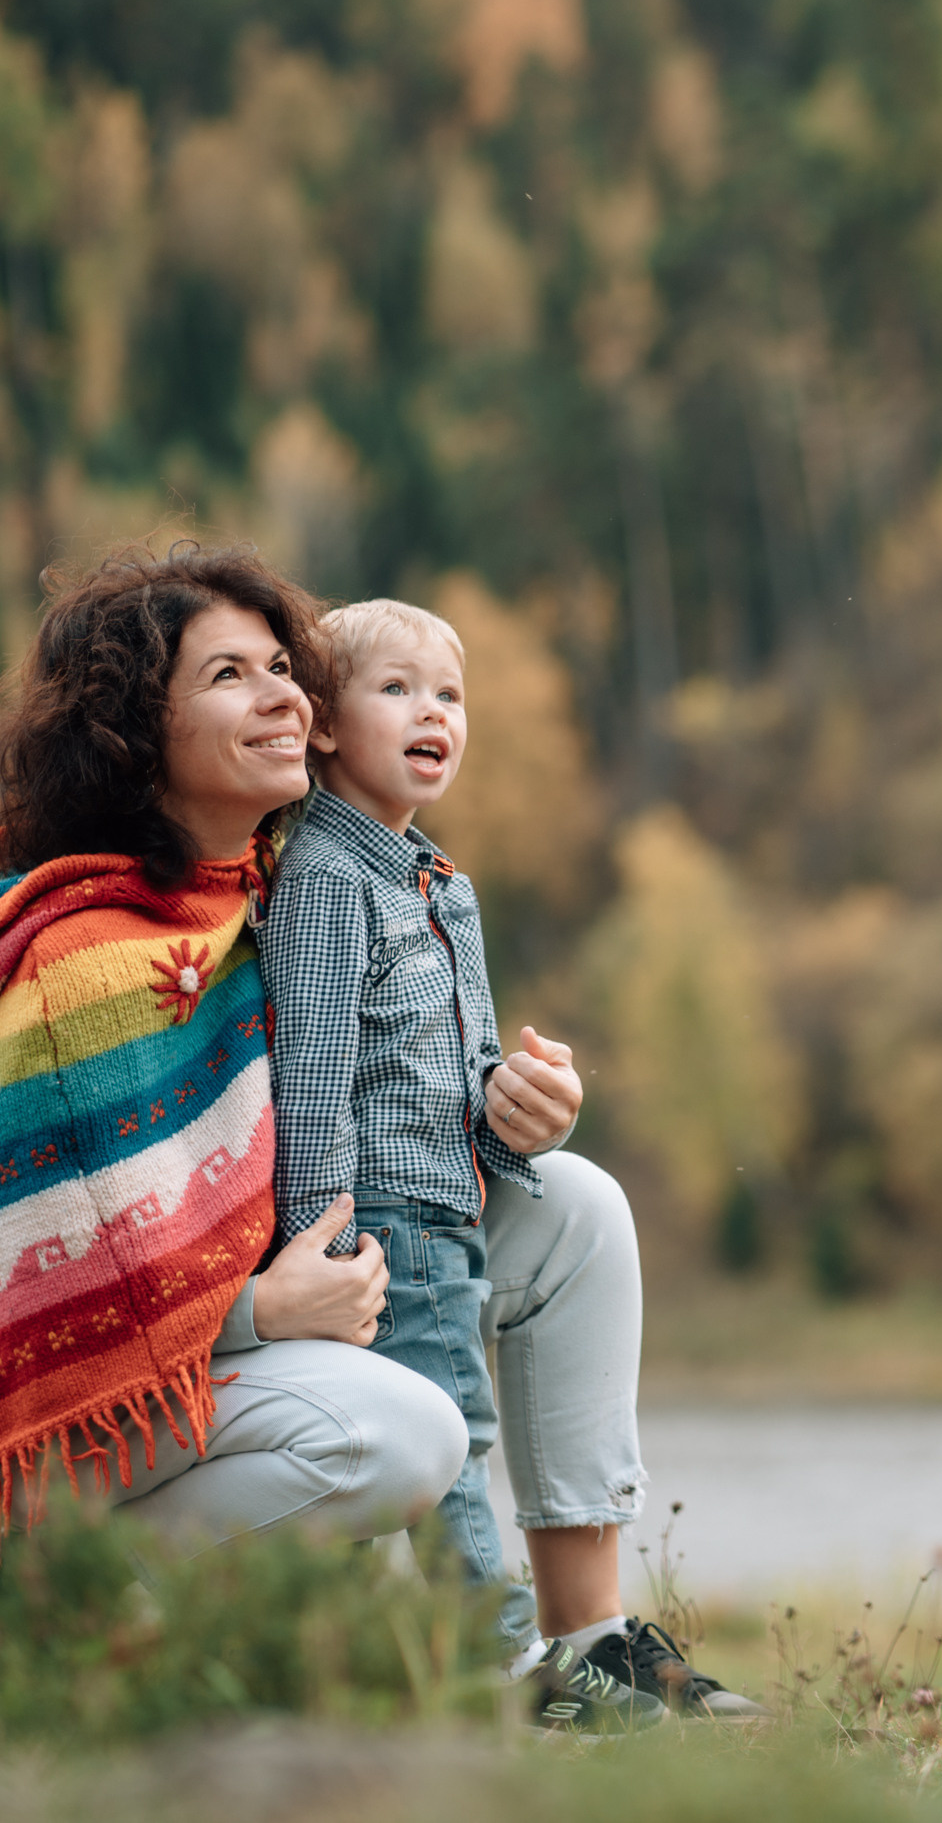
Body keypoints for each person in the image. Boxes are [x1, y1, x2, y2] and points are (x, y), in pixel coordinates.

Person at [0, 546, 468, 1613]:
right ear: (133, 731)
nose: (283, 695)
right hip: (86, 1412)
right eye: (230, 675)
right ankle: (52, 1588)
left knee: (580, 1213)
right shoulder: (88, 966)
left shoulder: (269, 895)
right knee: (407, 1434)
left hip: (237, 1342)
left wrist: (504, 1105)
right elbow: (84, 1280)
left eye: (283, 665)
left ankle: (581, 1631)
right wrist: (260, 1314)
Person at [263, 597, 761, 1723]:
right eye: (396, 689)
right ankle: (505, 1672)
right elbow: (315, 1069)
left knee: (458, 1419)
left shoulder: (443, 885)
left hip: (450, 1199)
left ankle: (572, 1643)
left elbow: (472, 1074)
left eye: (450, 693)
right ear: (326, 726)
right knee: (450, 1430)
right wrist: (325, 1237)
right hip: (380, 1217)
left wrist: (521, 1105)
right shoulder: (327, 880)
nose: (433, 711)